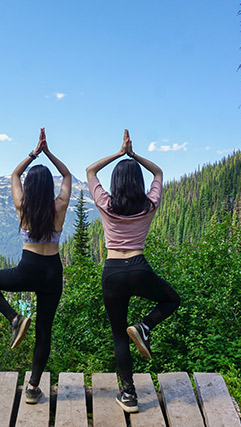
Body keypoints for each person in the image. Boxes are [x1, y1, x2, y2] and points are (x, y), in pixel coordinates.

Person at [86, 129, 180, 413]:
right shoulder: (149, 205)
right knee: (171, 300)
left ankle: (129, 395)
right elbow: (159, 172)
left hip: (112, 271)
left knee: (118, 335)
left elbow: (90, 170)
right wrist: (133, 154)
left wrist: (119, 152)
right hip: (139, 268)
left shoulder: (106, 203)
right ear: (138, 182)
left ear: (115, 182)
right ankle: (144, 326)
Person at [0, 128, 71, 404]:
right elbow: (66, 176)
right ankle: (32, 388)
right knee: (44, 331)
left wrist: (34, 153)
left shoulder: (23, 206)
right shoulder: (60, 206)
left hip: (27, 269)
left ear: (30, 187)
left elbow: (14, 175)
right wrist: (49, 153)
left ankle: (15, 319)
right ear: (49, 188)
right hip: (53, 272)